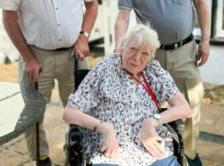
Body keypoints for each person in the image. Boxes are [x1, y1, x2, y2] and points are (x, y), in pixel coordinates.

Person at [0, 0, 98, 166]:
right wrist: (28, 58)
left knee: (79, 112)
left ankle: (75, 157)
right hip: (36, 58)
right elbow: (9, 17)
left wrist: (84, 35)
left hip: (74, 56)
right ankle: (42, 160)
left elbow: (92, 5)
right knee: (33, 116)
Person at [114, 0, 210, 166]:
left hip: (184, 52)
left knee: (191, 106)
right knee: (149, 110)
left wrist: (206, 40)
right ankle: (159, 157)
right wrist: (117, 50)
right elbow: (123, 17)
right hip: (149, 57)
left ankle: (189, 156)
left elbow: (201, 3)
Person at [63, 24, 191, 166]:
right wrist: (105, 128)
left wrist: (152, 122)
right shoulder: (105, 68)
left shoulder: (154, 71)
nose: (137, 58)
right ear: (122, 46)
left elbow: (184, 108)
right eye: (133, 49)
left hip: (152, 151)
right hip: (111, 152)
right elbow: (69, 113)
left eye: (145, 53)